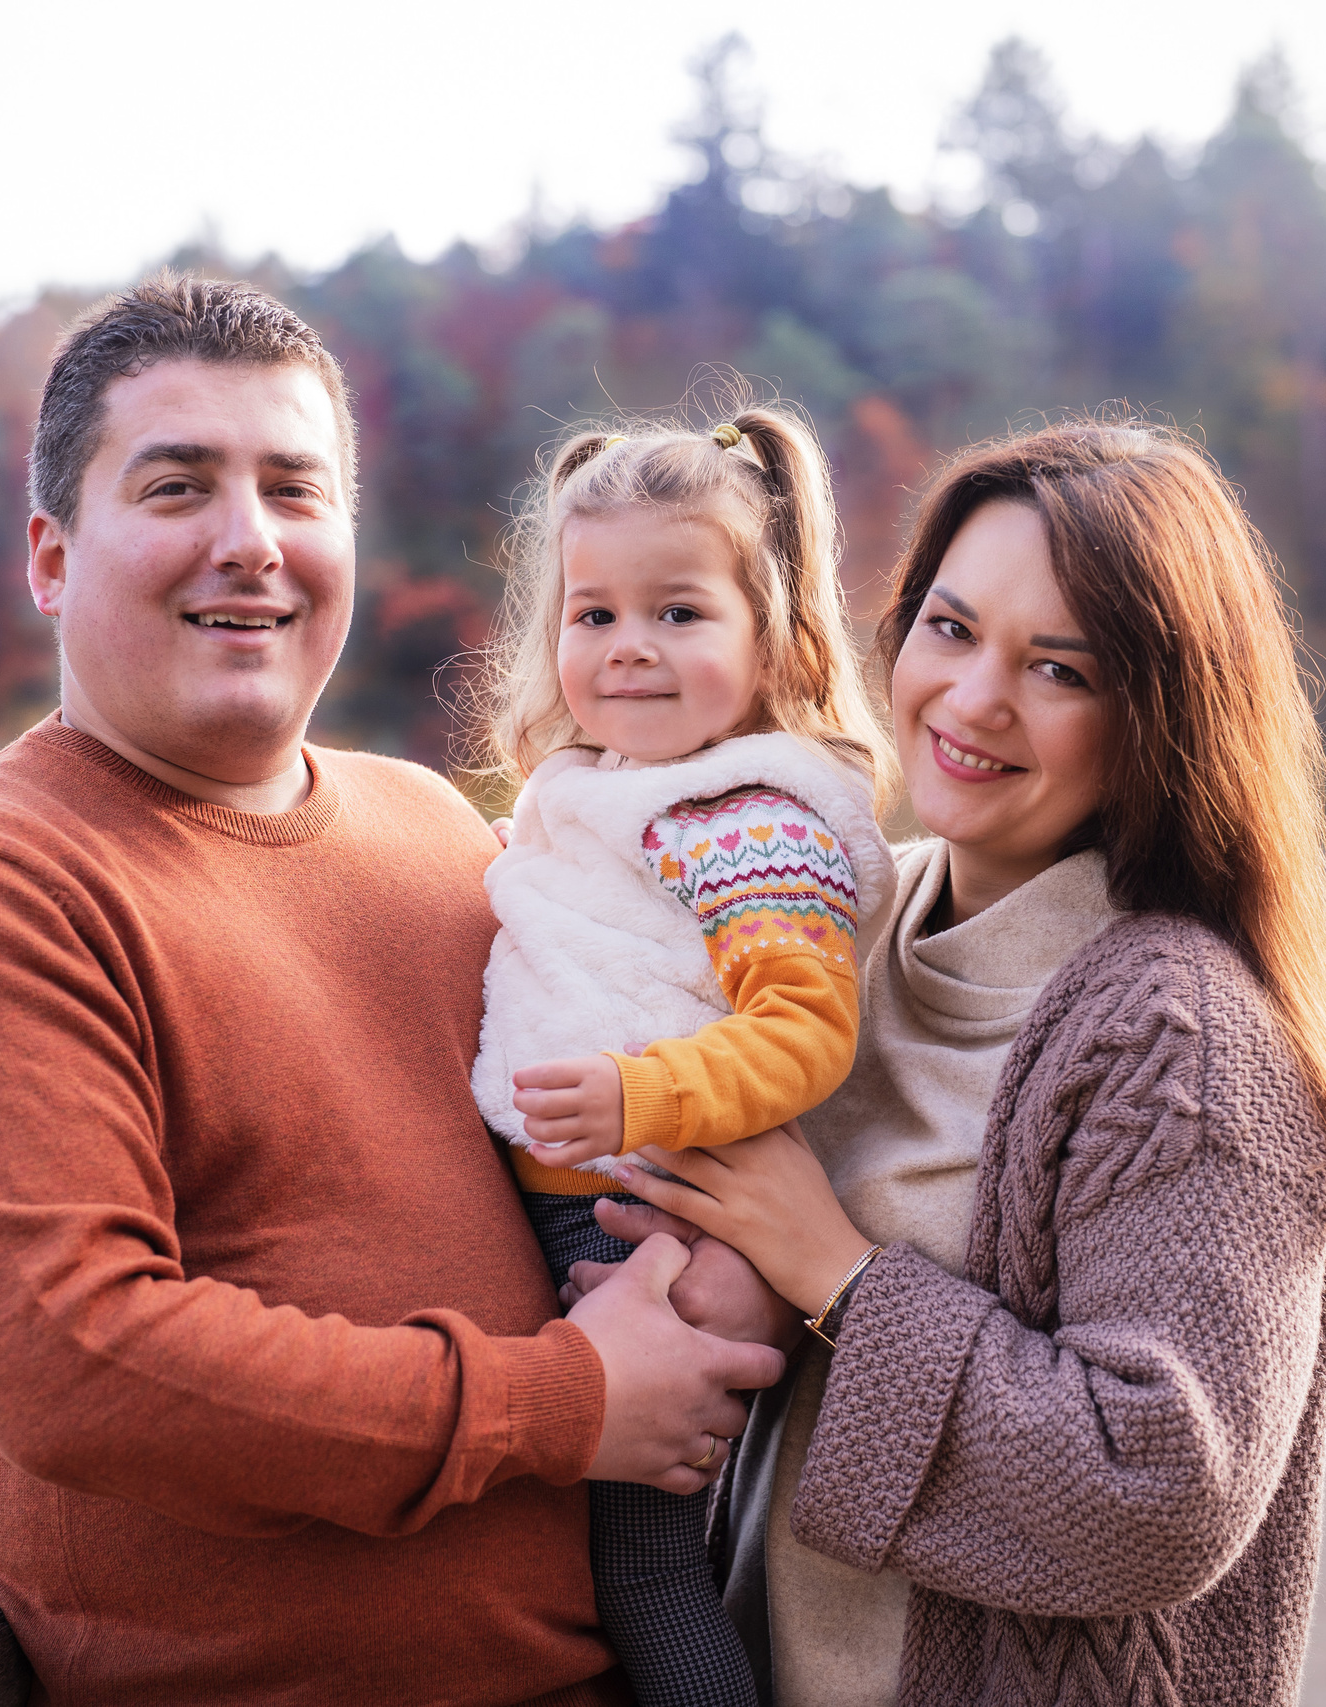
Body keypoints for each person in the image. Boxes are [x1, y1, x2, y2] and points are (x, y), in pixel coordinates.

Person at [0, 274, 783, 1707]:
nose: (249, 541)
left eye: (294, 486)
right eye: (176, 485)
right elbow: (88, 1364)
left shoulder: (449, 836)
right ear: (49, 553)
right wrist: (564, 1403)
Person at [573, 420, 1326, 1706]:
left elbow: (1157, 1494)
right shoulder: (835, 919)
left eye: (1060, 670)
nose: (973, 701)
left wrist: (835, 1274)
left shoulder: (1182, 1043)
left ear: (1163, 714)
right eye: (952, 630)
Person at [467, 408, 898, 1707]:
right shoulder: (603, 790)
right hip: (574, 1214)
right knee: (634, 1559)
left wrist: (635, 1093)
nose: (630, 647)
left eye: (680, 611)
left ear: (767, 634)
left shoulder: (745, 822)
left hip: (636, 1224)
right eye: (593, 614)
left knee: (647, 1573)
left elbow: (804, 1031)